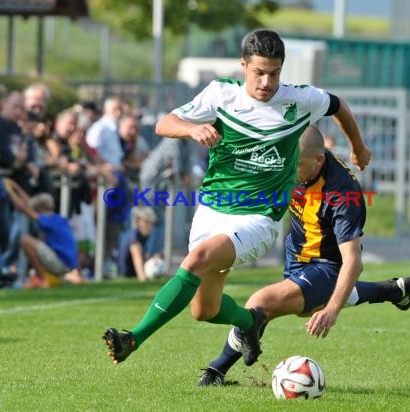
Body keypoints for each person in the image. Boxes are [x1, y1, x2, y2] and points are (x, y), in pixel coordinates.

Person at [102, 29, 371, 366]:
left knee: (197, 259)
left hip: (258, 218)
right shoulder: (219, 95)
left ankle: (134, 338)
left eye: (274, 73)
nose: (266, 82)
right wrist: (191, 128)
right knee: (204, 310)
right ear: (243, 65)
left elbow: (339, 106)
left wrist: (358, 148)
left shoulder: (298, 100)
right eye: (258, 72)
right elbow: (164, 124)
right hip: (212, 211)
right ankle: (249, 322)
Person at [198, 126, 410, 386]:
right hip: (297, 252)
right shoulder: (289, 158)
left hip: (328, 265)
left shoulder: (343, 195)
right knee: (295, 309)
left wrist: (333, 310)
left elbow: (353, 261)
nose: (290, 170)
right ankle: (392, 290)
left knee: (261, 302)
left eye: (297, 165)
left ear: (319, 160)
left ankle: (215, 371)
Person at [3, 178, 83, 288]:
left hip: (61, 264)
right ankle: (42, 276)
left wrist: (9, 190)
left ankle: (41, 279)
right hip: (68, 265)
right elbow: (29, 204)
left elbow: (24, 209)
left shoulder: (48, 220)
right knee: (39, 240)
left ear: (41, 208)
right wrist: (15, 185)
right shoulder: (59, 219)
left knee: (25, 241)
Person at [117, 206, 160, 281]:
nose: (150, 226)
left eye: (151, 222)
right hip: (128, 276)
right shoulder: (134, 236)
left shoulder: (142, 235)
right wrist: (143, 278)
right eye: (147, 222)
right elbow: (137, 257)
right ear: (137, 221)